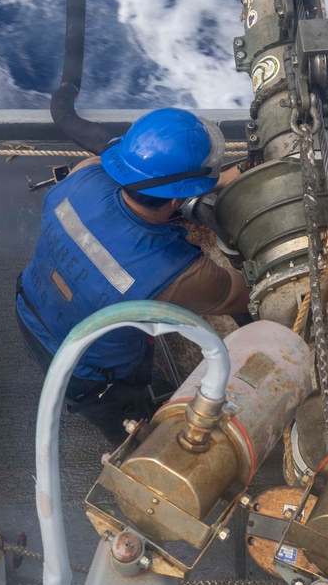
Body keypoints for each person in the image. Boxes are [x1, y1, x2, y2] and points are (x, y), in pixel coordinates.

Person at [15, 107, 250, 443]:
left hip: (30, 311)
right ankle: (135, 443)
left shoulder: (80, 177)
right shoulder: (175, 273)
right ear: (178, 199)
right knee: (129, 427)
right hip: (88, 375)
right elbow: (240, 292)